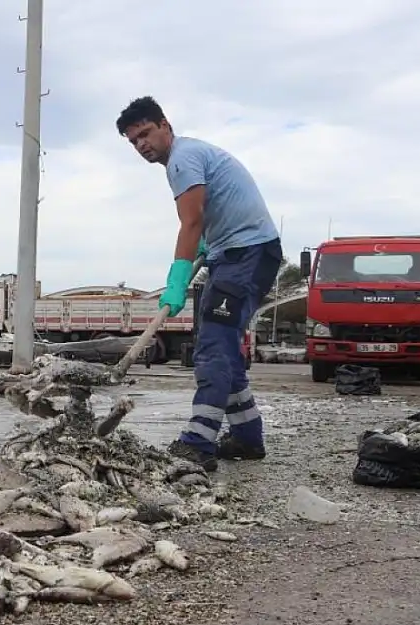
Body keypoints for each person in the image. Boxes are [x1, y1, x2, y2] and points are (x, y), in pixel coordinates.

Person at [116, 96, 283, 472]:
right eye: (133, 141)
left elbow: (190, 222)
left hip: (246, 254)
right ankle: (245, 436)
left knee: (213, 347)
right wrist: (209, 241)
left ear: (165, 125)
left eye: (145, 134)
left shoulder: (182, 159)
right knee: (221, 344)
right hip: (234, 253)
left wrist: (176, 280)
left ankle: (198, 441)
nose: (142, 145)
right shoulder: (188, 156)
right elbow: (205, 216)